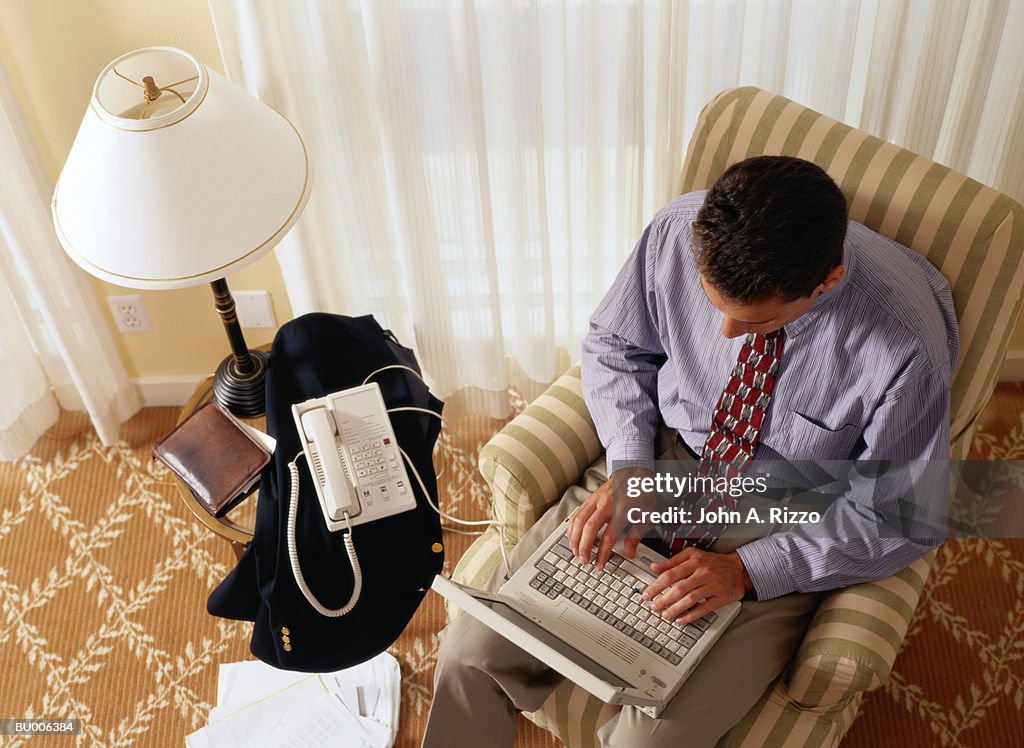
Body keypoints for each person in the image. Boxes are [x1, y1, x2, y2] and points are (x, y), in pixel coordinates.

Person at [422, 155, 958, 747]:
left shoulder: (906, 345)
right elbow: (614, 344)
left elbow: (905, 511)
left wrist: (747, 571)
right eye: (714, 305)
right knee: (468, 652)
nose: (725, 334)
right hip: (667, 457)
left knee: (644, 744)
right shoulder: (677, 232)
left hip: (789, 510)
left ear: (825, 282)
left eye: (756, 321)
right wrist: (630, 468)